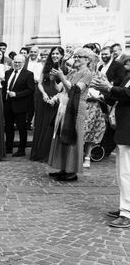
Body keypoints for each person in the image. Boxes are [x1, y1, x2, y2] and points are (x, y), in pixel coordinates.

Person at [47, 48, 97, 181]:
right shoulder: (74, 72)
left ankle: (72, 171)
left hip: (77, 108)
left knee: (73, 137)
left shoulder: (87, 73)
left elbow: (75, 90)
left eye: (78, 57)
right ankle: (63, 168)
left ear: (87, 60)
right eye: (75, 57)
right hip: (65, 106)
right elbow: (60, 88)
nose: (75, 59)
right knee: (63, 136)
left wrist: (62, 77)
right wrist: (53, 79)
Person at [93, 60, 130, 227]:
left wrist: (108, 87)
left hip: (128, 130)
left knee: (127, 173)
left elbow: (127, 94)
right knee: (121, 172)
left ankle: (127, 213)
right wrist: (102, 93)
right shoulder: (128, 77)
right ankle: (124, 207)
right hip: (123, 129)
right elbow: (118, 96)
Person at [30, 47, 65, 162]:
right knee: (40, 124)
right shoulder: (46, 66)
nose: (55, 55)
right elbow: (40, 83)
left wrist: (54, 98)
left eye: (57, 54)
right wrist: (44, 94)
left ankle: (48, 153)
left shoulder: (65, 68)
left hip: (56, 99)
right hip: (43, 97)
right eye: (53, 53)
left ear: (62, 55)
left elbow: (62, 88)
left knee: (51, 126)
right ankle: (37, 152)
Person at [3, 55, 35, 157]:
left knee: (22, 128)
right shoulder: (8, 73)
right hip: (8, 104)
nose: (17, 64)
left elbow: (30, 89)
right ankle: (8, 148)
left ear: (23, 63)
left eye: (19, 62)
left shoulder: (28, 74)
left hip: (21, 104)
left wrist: (17, 94)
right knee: (8, 127)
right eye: (15, 62)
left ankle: (21, 149)